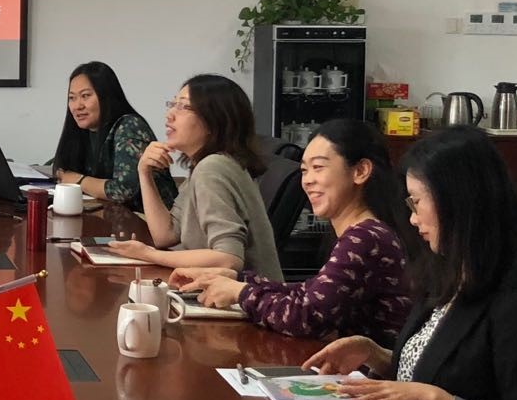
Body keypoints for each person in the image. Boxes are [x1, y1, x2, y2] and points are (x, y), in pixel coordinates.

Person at [305, 127, 517, 400]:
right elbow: (435, 368)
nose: (413, 219)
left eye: (417, 202)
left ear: (457, 202)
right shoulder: (447, 273)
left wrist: (434, 399)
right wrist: (374, 354)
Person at [170, 119, 415, 345]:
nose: (307, 180)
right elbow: (310, 293)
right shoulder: (364, 232)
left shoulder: (366, 237)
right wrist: (238, 279)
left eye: (318, 167)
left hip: (365, 374)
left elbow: (307, 316)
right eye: (305, 170)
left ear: (360, 171)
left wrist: (241, 292)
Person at [106, 74, 283, 281]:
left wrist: (149, 255)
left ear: (214, 120)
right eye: (173, 104)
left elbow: (228, 259)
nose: (170, 115)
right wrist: (144, 172)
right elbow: (165, 235)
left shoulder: (213, 168)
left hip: (250, 297)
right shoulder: (206, 164)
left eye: (183, 107)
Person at [49, 61, 177, 211]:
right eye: (72, 98)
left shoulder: (129, 126)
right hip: (113, 217)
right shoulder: (84, 130)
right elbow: (62, 169)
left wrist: (78, 180)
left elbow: (123, 190)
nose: (77, 106)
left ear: (106, 96)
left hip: (149, 220)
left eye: (85, 96)